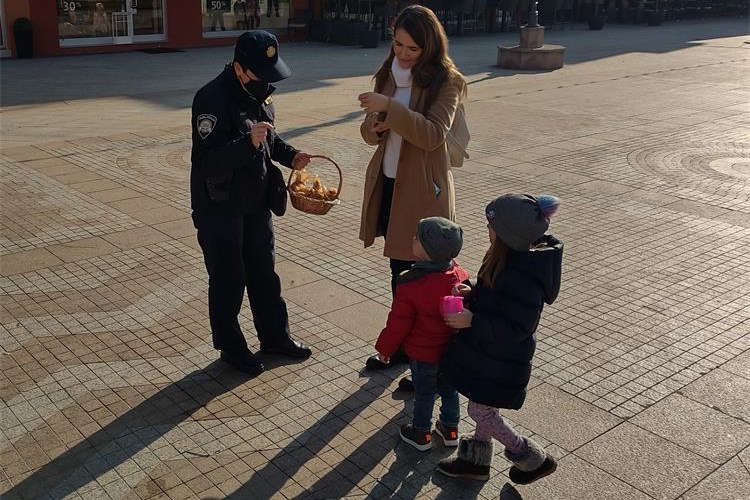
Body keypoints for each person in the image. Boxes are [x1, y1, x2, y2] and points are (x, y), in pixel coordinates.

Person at [190, 31, 313, 377]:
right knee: (229, 279)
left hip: (256, 201)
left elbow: (268, 138)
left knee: (263, 273)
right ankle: (231, 347)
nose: (269, 85)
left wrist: (291, 155)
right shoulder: (211, 99)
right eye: (262, 75)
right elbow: (207, 162)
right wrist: (247, 142)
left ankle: (275, 337)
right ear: (241, 69)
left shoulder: (261, 94)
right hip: (220, 206)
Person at [358, 5, 468, 371]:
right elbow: (370, 133)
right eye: (397, 45)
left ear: (430, 47)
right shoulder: (388, 73)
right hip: (390, 185)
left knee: (430, 278)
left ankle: (430, 360)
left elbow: (434, 134)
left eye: (412, 49)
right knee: (400, 274)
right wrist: (373, 125)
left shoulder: (448, 81)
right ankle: (404, 347)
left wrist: (391, 108)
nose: (402, 54)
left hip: (423, 192)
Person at [437, 194, 563, 484]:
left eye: (491, 225)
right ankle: (476, 462)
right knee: (485, 407)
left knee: (479, 409)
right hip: (490, 354)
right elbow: (497, 297)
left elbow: (517, 325)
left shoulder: (525, 275)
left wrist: (473, 320)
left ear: (508, 233)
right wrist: (472, 292)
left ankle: (532, 458)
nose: (487, 230)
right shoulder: (507, 257)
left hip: (502, 358)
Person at [375, 217, 469, 450]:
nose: (412, 239)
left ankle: (421, 433)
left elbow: (399, 323)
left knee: (425, 393)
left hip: (423, 353)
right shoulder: (457, 274)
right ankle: (450, 430)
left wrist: (385, 349)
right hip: (451, 351)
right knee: (449, 390)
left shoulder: (410, 283)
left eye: (417, 238)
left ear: (427, 251)